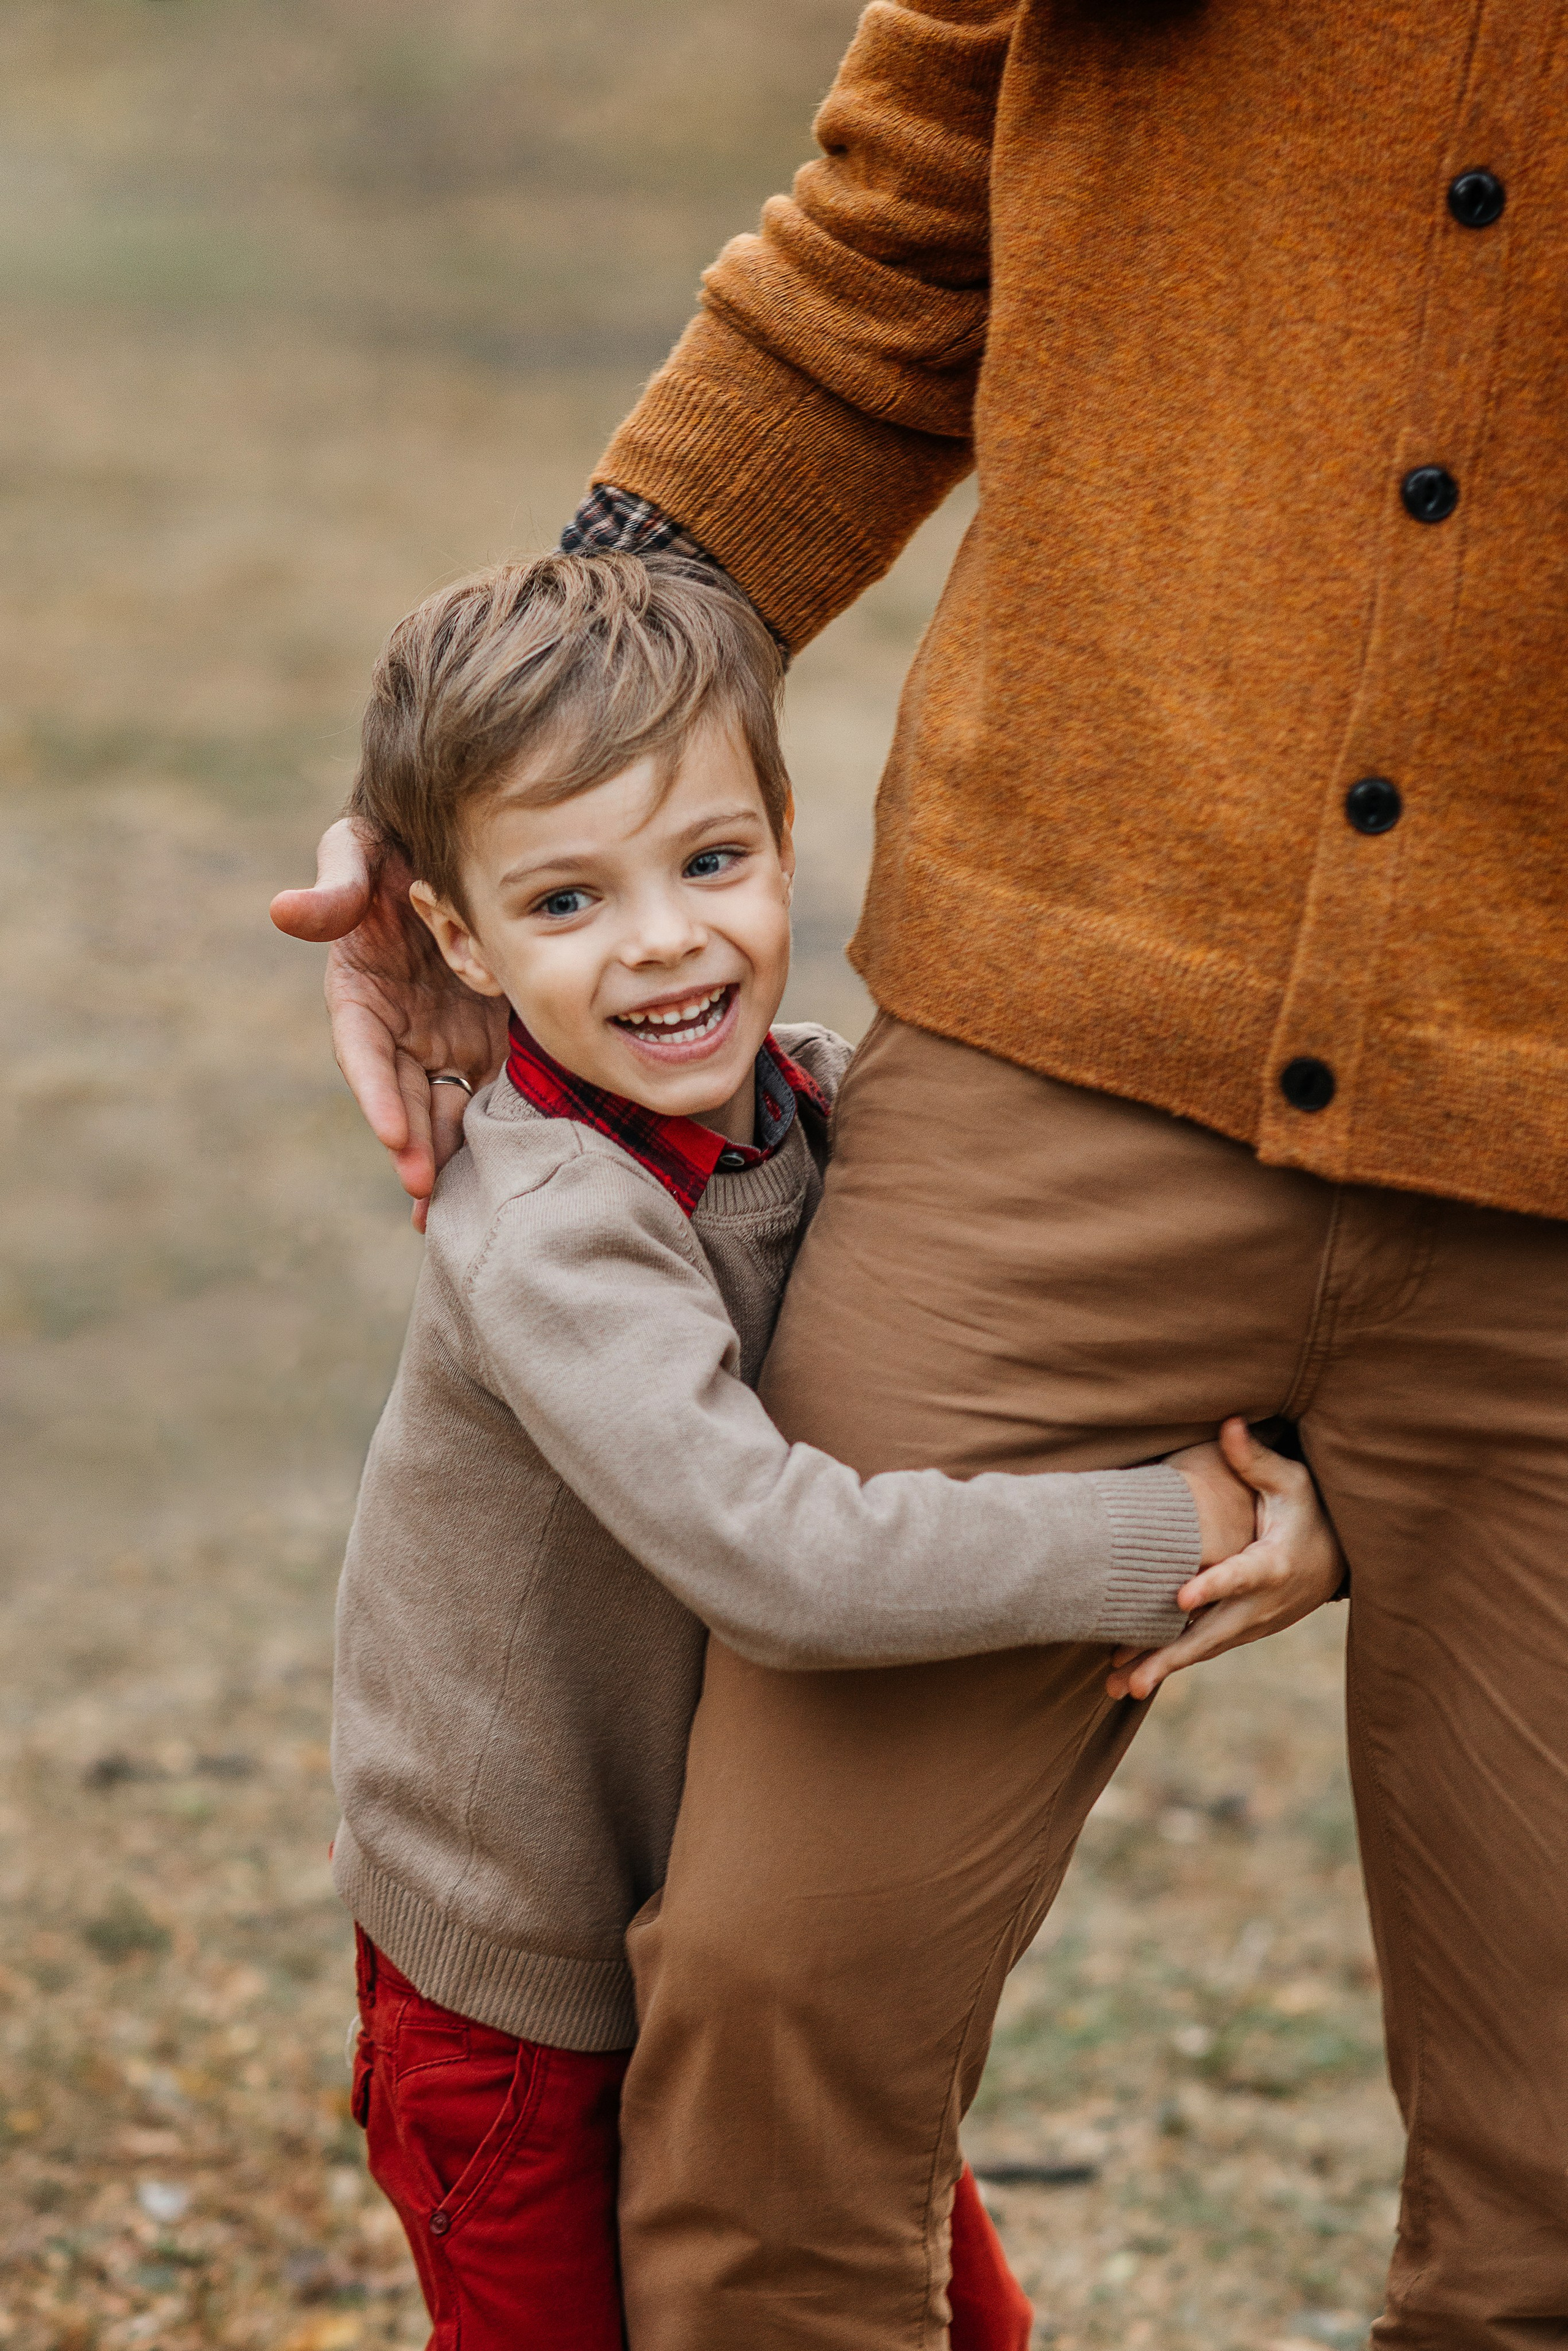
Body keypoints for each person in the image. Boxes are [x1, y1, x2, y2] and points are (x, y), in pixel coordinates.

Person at [272, 5, 1568, 2341]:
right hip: (1061, 1030)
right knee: (772, 2037)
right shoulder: (629, 1181)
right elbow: (887, 255)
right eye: (565, 908)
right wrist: (497, 789)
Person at [320, 548, 1339, 2350]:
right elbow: (781, 1560)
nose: (663, 941)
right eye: (567, 901)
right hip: (521, 1979)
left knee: (924, 2303)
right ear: (457, 942)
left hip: (734, 1909)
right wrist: (1159, 1526)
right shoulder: (550, 1229)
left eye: (711, 862)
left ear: (787, 833)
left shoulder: (815, 1098)